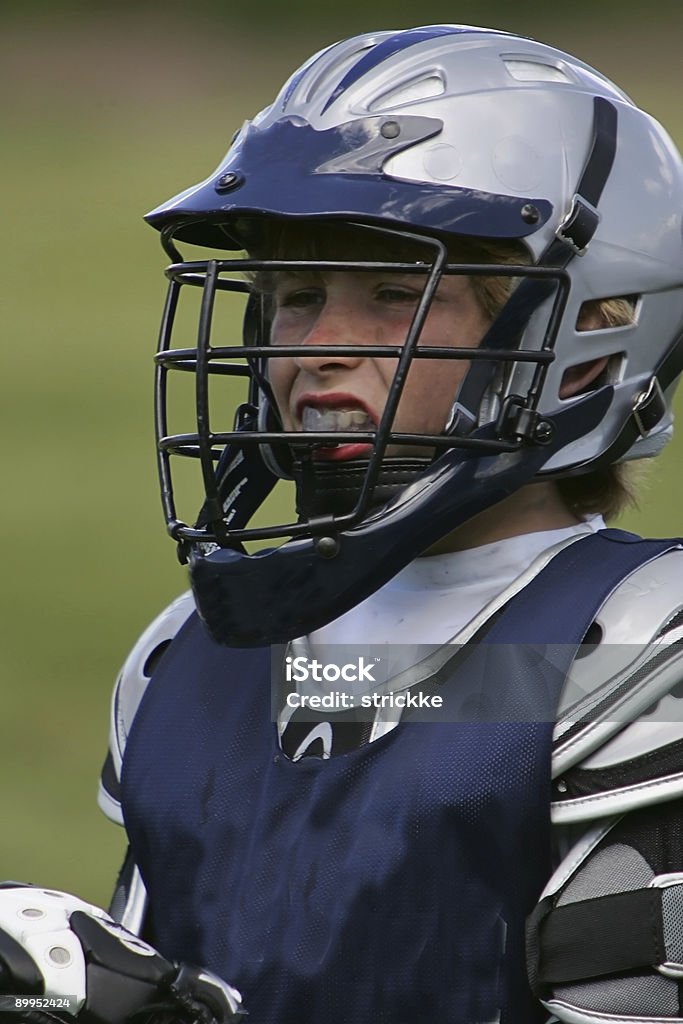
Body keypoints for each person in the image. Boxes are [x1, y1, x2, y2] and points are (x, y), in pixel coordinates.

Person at [3, 22, 683, 1024]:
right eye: (294, 297)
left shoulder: (628, 652)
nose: (318, 349)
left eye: (395, 296)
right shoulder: (194, 662)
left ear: (584, 340)